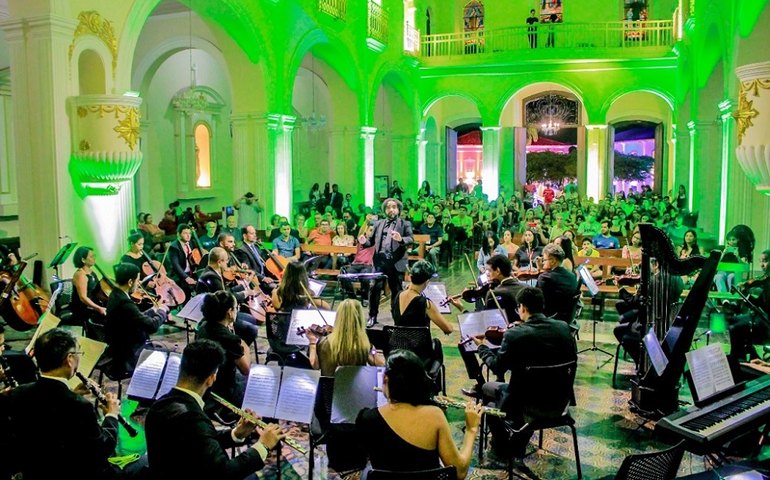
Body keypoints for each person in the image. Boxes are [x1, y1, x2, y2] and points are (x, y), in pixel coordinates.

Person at [7, 328, 144, 480]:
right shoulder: (79, 406)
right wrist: (111, 415)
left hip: (36, 472)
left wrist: (72, 393)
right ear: (70, 359)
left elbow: (49, 408)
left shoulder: (18, 393)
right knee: (144, 463)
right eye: (78, 354)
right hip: (77, 473)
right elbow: (100, 450)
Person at [471, 288, 576, 472]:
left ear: (523, 308)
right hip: (559, 401)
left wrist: (482, 348)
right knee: (531, 390)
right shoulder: (563, 327)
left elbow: (497, 367)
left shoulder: (515, 334)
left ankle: (501, 454)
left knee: (487, 391)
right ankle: (517, 448)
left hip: (526, 405)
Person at [145, 340, 282, 479]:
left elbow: (199, 443)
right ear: (211, 379)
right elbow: (224, 472)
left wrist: (236, 434)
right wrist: (263, 446)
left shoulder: (158, 405)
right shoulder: (194, 419)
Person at [355, 350, 482, 479]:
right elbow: (460, 472)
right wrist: (471, 430)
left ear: (385, 379)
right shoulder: (435, 415)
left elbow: (359, 461)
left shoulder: (367, 418)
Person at [105, 263, 168, 376]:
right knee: (167, 359)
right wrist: (162, 311)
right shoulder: (125, 303)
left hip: (120, 345)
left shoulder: (115, 295)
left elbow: (136, 317)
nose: (138, 284)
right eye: (137, 280)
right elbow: (152, 326)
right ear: (130, 282)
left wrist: (153, 309)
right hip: (129, 353)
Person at [358, 198, 414, 327]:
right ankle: (372, 316)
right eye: (388, 207)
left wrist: (401, 239)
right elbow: (371, 241)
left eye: (394, 207)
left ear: (398, 210)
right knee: (374, 288)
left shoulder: (405, 224)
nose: (391, 209)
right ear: (384, 210)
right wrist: (364, 242)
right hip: (380, 262)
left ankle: (397, 317)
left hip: (396, 262)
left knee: (397, 290)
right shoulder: (378, 224)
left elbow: (411, 239)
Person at [196, 290, 250, 407]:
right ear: (229, 312)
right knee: (254, 383)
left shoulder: (203, 327)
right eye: (236, 308)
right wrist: (243, 344)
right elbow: (246, 369)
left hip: (204, 385)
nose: (237, 310)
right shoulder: (230, 339)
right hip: (224, 390)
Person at [196, 247, 260, 345]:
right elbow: (226, 299)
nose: (227, 264)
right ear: (219, 262)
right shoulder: (211, 277)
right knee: (252, 330)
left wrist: (244, 285)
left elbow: (227, 291)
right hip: (216, 318)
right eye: (226, 261)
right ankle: (235, 348)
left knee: (251, 319)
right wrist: (245, 293)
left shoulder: (214, 272)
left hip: (221, 313)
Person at [306, 299, 383, 376]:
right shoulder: (364, 345)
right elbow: (379, 364)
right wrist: (373, 350)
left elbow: (315, 365)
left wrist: (312, 342)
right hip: (355, 384)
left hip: (330, 383)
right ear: (359, 319)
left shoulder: (324, 342)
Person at [728, 249, 770, 362]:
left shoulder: (767, 281)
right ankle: (743, 353)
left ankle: (737, 358)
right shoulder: (766, 279)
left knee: (735, 328)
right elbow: (758, 303)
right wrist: (747, 295)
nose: (762, 265)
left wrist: (750, 290)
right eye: (761, 261)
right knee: (732, 320)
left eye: (765, 261)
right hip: (762, 316)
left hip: (767, 321)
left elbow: (766, 306)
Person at [392, 260, 455, 334]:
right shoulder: (425, 303)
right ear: (427, 282)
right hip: (418, 341)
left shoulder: (398, 295)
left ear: (410, 277)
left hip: (397, 340)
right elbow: (448, 329)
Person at [536, 244, 578, 322]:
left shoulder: (545, 278)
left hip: (551, 317)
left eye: (544, 260)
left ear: (552, 261)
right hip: (567, 316)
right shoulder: (571, 275)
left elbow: (538, 300)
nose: (543, 262)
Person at [70, 246, 107, 327]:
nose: (94, 258)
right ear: (83, 260)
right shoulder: (80, 275)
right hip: (84, 309)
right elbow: (83, 298)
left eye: (94, 256)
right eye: (91, 256)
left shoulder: (91, 272)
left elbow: (97, 290)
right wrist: (99, 308)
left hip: (92, 305)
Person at [234, 224, 277, 290]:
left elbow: (263, 260)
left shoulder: (256, 246)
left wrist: (271, 256)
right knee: (277, 288)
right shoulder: (242, 250)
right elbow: (249, 269)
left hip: (266, 275)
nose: (255, 235)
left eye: (255, 233)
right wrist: (263, 278)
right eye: (252, 233)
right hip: (257, 280)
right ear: (244, 236)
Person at [168, 223, 199, 297]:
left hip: (192, 273)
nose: (188, 235)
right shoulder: (174, 247)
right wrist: (186, 278)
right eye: (185, 233)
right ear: (178, 234)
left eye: (189, 233)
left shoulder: (192, 243)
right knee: (187, 291)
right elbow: (176, 265)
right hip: (181, 275)